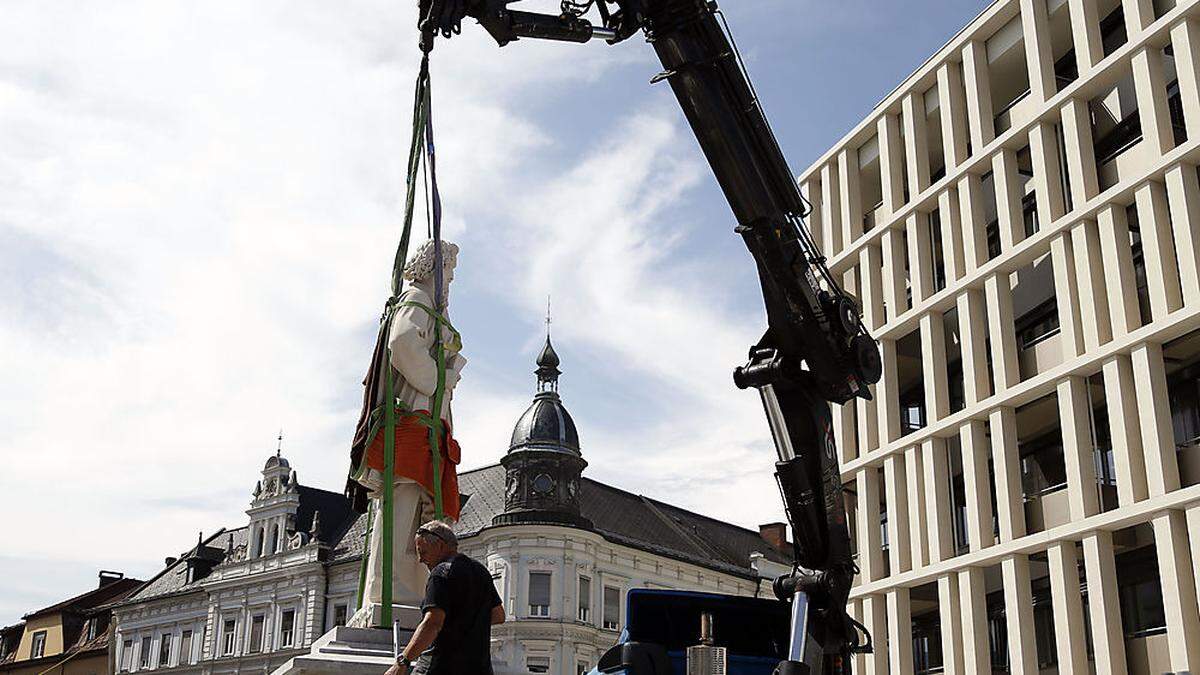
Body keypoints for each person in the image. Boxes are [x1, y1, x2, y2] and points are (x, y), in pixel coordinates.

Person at [346, 240, 468, 621]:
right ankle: (391, 592)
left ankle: (410, 591)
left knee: (419, 516)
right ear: (434, 270)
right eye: (448, 272)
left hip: (426, 427)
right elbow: (402, 343)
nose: (450, 280)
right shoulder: (417, 300)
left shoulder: (428, 308)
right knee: (401, 513)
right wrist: (438, 378)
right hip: (414, 424)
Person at [387, 521, 505, 675]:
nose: (420, 560)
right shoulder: (480, 570)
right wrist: (467, 621)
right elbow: (498, 615)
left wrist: (403, 662)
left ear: (440, 546)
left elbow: (432, 623)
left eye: (422, 552)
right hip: (479, 668)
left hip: (441, 666)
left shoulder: (441, 573)